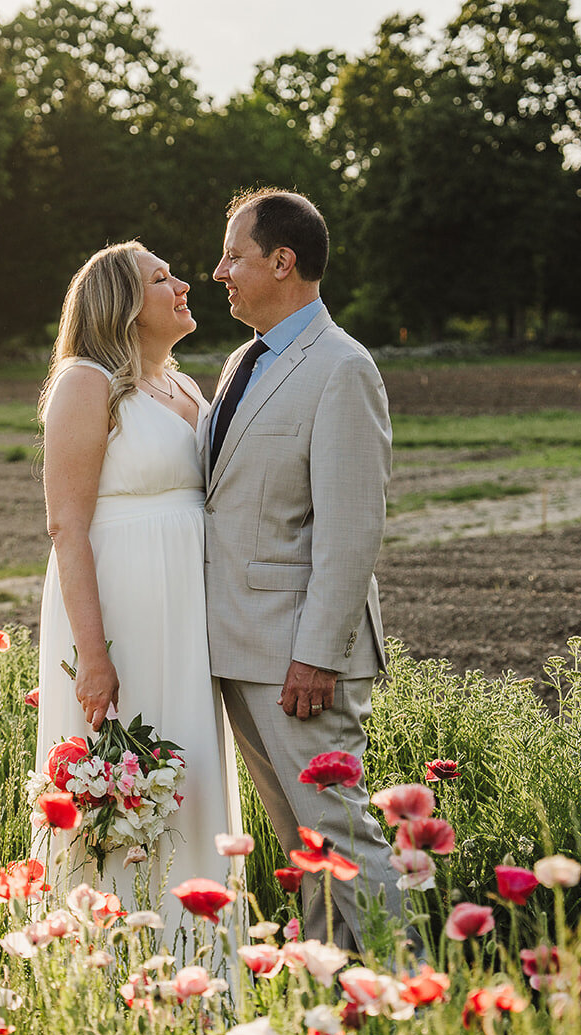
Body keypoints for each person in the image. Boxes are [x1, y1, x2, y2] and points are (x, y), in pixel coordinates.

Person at [202, 188, 402, 952]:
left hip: (299, 658)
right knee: (309, 854)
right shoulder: (241, 362)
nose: (220, 271)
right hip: (241, 647)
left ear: (282, 261)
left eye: (234, 256)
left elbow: (352, 530)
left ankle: (418, 992)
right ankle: (342, 1004)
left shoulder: (342, 367)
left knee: (342, 839)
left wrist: (316, 652)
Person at [32, 241, 242, 943]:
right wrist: (94, 656)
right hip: (119, 616)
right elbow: (67, 523)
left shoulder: (183, 387)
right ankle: (113, 963)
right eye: (162, 278)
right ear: (121, 303)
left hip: (188, 620)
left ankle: (201, 966)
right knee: (124, 783)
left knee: (191, 775)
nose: (184, 284)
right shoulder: (87, 381)